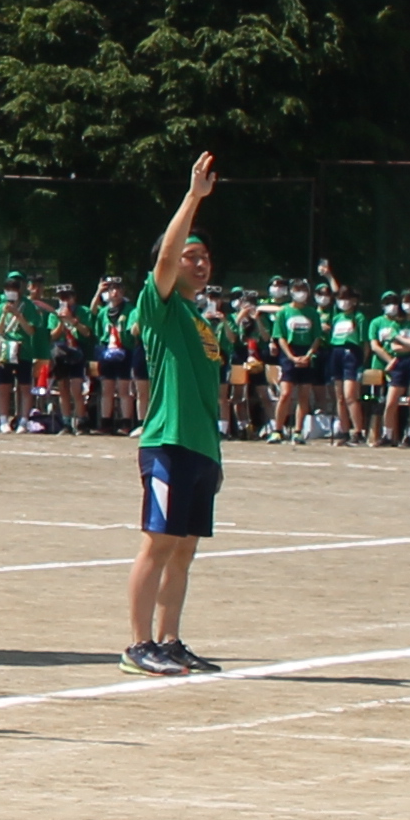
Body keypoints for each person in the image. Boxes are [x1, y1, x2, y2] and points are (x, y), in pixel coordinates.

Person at [125, 153, 228, 676]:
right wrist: (193, 197)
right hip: (167, 441)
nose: (199, 261)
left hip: (200, 447)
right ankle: (138, 644)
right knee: (159, 541)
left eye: (205, 255)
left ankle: (169, 640)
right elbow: (165, 260)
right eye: (191, 255)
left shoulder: (206, 320)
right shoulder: (160, 306)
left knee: (185, 549)